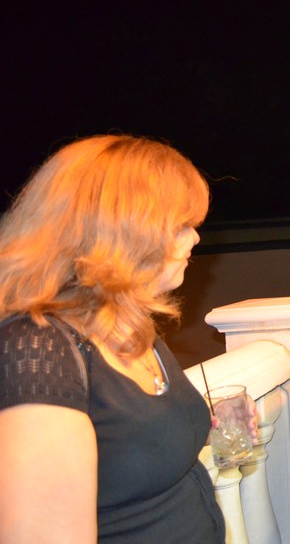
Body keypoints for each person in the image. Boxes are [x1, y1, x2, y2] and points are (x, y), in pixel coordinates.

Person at [0, 134, 255, 543]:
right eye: (181, 226)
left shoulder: (129, 324)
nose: (195, 238)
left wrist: (206, 418)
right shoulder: (39, 350)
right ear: (127, 231)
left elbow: (124, 442)